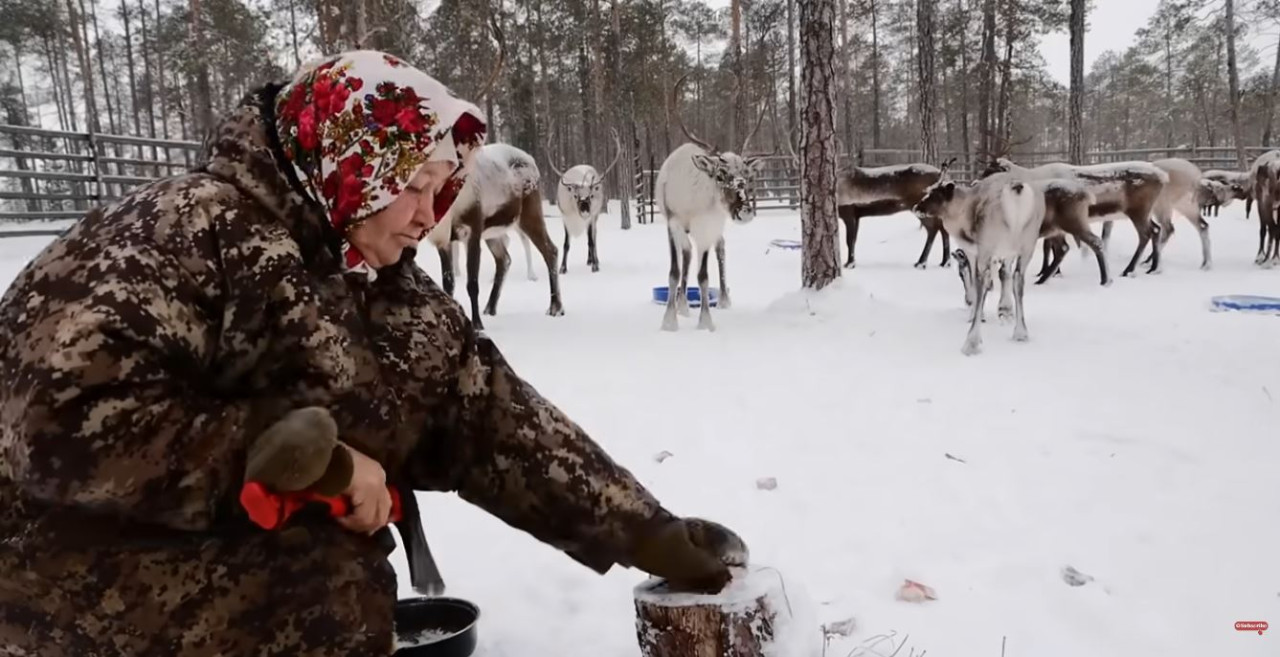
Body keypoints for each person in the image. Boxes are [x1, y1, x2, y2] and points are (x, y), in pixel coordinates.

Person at [0, 51, 746, 656]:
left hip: (191, 554)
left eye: (444, 186)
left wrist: (642, 527)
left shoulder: (377, 280)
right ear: (352, 162)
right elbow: (57, 421)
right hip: (51, 566)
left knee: (338, 581)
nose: (431, 213)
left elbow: (490, 416)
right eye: (414, 185)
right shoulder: (177, 233)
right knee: (320, 588)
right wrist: (287, 463)